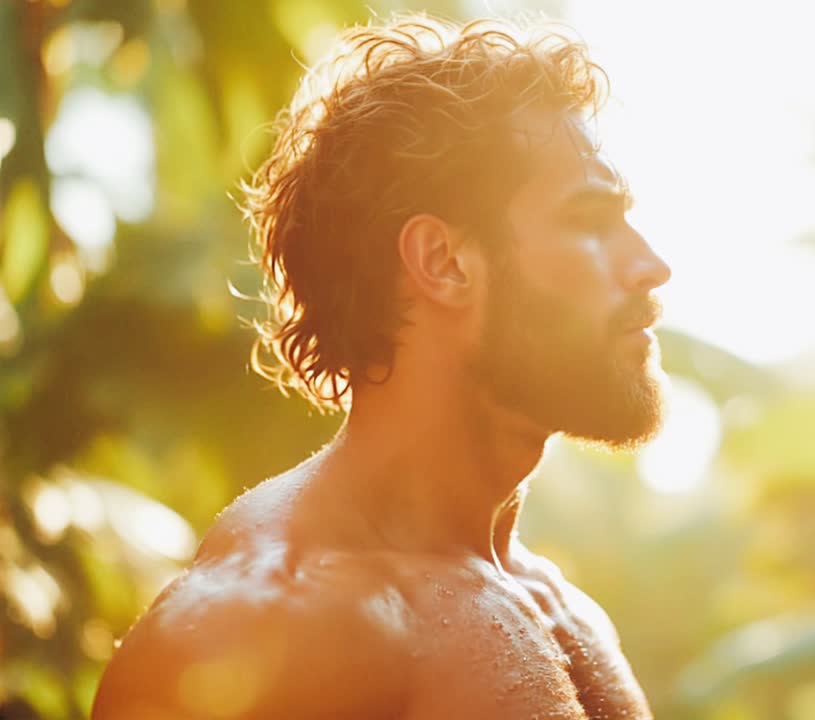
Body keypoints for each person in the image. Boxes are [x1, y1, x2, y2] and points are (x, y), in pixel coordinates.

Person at [92, 13, 670, 720]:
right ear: (443, 263)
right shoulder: (263, 629)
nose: (650, 265)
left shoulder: (556, 603)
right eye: (589, 220)